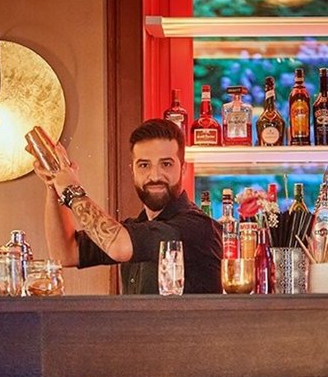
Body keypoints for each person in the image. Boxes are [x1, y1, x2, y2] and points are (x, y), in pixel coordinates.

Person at [32, 118, 222, 294]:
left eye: (166, 164)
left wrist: (72, 190)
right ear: (133, 171)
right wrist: (53, 186)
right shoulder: (134, 228)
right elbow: (66, 253)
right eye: (144, 165)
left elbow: (118, 246)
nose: (155, 175)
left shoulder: (197, 227)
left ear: (183, 169)